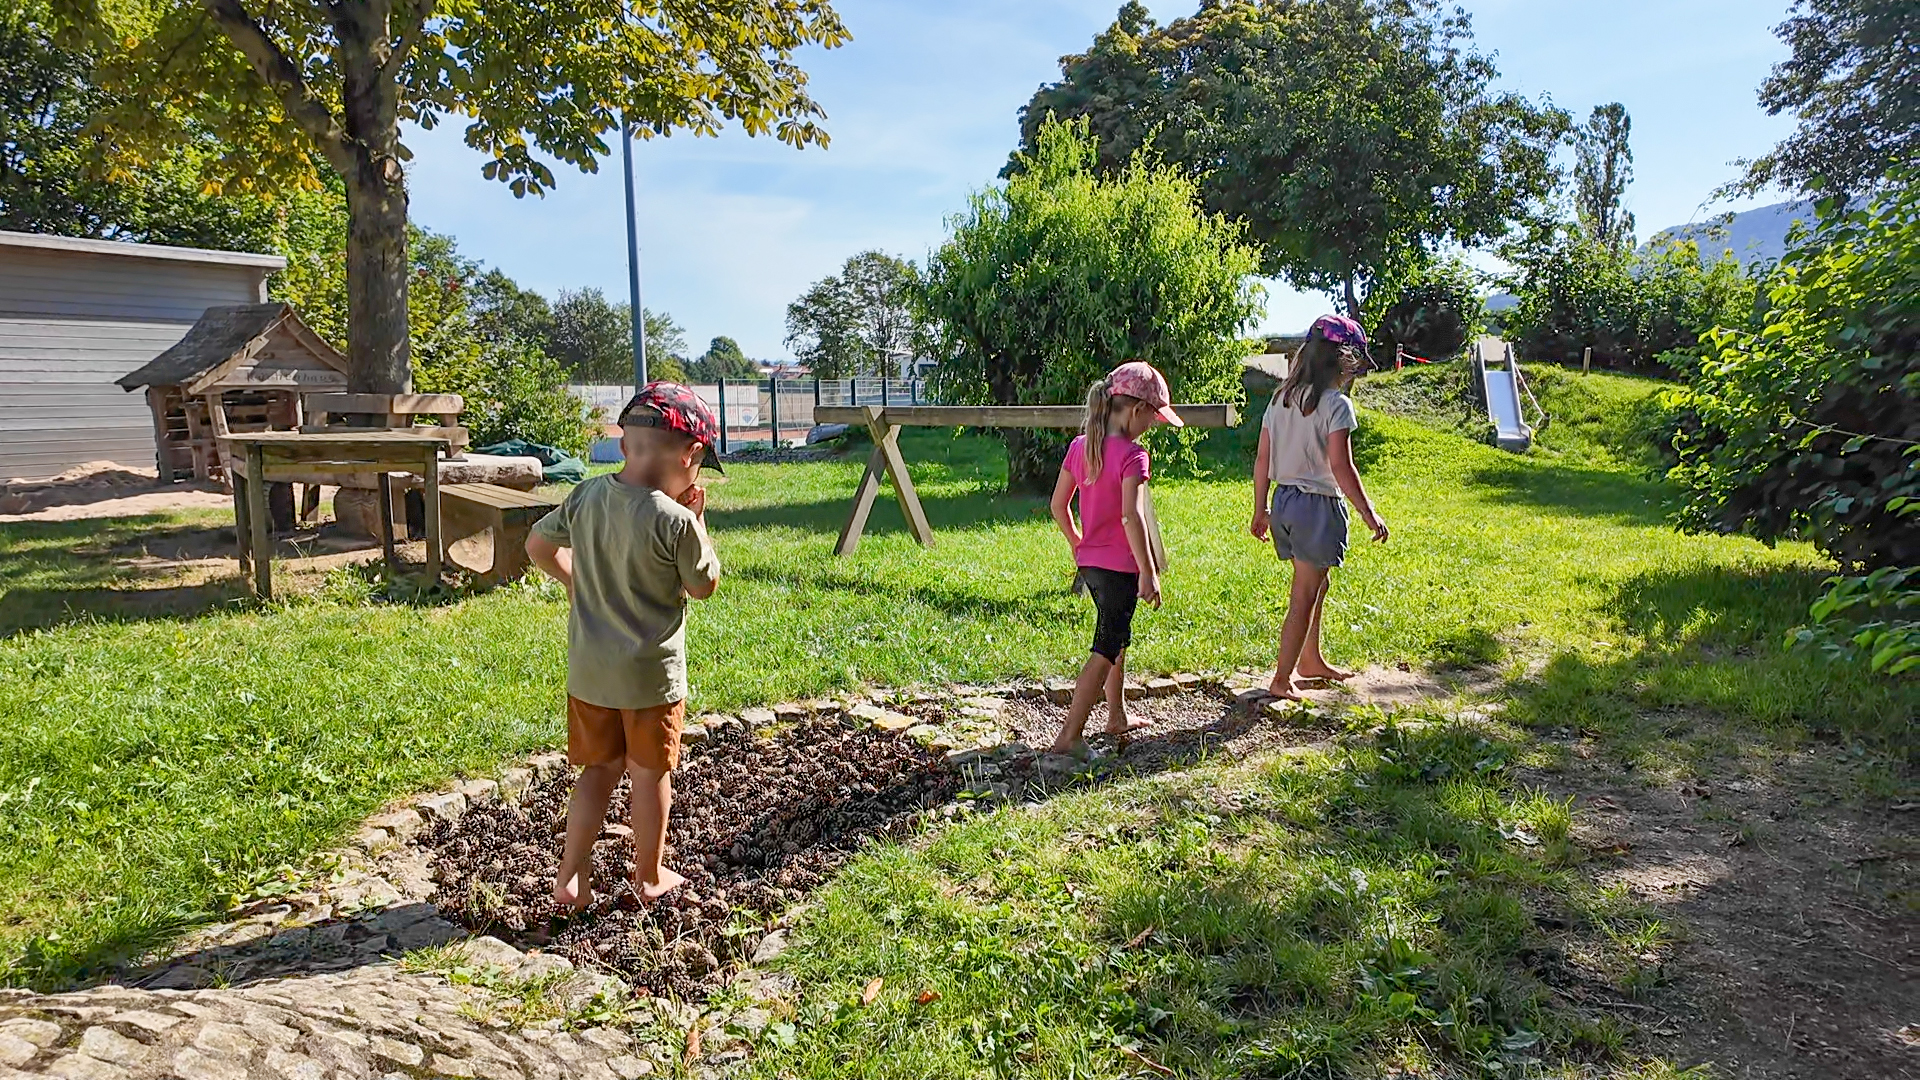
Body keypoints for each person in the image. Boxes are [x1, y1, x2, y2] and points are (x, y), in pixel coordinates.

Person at [525, 382, 723, 909]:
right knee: (649, 774)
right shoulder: (675, 520)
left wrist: (575, 582)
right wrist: (698, 521)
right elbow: (703, 585)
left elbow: (537, 545)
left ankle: (570, 878)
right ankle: (650, 876)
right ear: (691, 455)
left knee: (598, 771)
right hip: (649, 680)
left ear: (623, 444)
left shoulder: (585, 496)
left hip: (590, 674)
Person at [1047, 360, 1182, 756]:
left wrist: (1078, 543)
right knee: (1105, 648)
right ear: (1136, 409)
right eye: (1153, 416)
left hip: (1091, 566)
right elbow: (1131, 516)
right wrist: (1148, 571)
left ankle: (1116, 716)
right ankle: (1070, 737)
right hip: (1120, 568)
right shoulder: (1133, 455)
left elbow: (1058, 506)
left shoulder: (1080, 446)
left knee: (1116, 636)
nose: (1153, 424)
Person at [1251, 314, 1389, 700]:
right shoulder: (1336, 405)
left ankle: (1310, 660)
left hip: (1284, 503)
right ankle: (1281, 679)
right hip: (1316, 507)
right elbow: (1342, 466)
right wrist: (1368, 512)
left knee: (1316, 583)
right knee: (1304, 595)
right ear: (1344, 360)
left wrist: (1260, 509)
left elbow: (1262, 459)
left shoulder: (1280, 399)